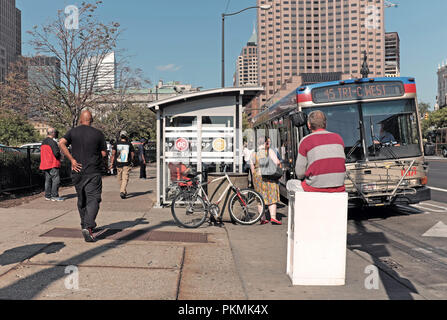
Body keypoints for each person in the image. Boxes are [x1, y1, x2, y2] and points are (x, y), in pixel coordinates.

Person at [59, 110, 108, 243]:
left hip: (77, 171)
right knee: (93, 199)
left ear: (81, 120)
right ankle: (88, 226)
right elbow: (104, 154)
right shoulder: (98, 134)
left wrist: (72, 160)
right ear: (91, 120)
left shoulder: (73, 132)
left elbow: (61, 143)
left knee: (82, 199)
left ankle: (84, 224)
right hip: (93, 171)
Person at [293, 110, 346, 193]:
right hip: (339, 188)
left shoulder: (305, 141)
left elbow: (299, 173)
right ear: (325, 124)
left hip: (315, 189)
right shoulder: (338, 138)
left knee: (290, 184)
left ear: (309, 125)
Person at [250, 136, 282, 225]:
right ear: (265, 143)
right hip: (269, 175)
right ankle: (273, 217)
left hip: (257, 176)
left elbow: (252, 167)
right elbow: (277, 162)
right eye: (267, 142)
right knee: (272, 195)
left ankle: (262, 218)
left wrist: (255, 177)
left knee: (260, 197)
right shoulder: (269, 151)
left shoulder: (254, 153)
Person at [40, 128, 64, 202]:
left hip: (45, 164)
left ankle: (47, 196)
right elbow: (56, 153)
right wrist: (61, 156)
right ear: (52, 133)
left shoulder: (43, 142)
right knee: (56, 180)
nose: (56, 134)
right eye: (55, 132)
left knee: (48, 180)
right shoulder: (52, 142)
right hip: (53, 163)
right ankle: (55, 196)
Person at [110, 131, 135, 199]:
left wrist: (111, 163)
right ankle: (123, 191)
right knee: (124, 178)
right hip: (126, 163)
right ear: (126, 136)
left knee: (120, 178)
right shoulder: (129, 144)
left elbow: (113, 154)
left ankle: (122, 191)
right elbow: (132, 154)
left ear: (120, 136)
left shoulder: (116, 144)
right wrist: (132, 160)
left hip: (118, 163)